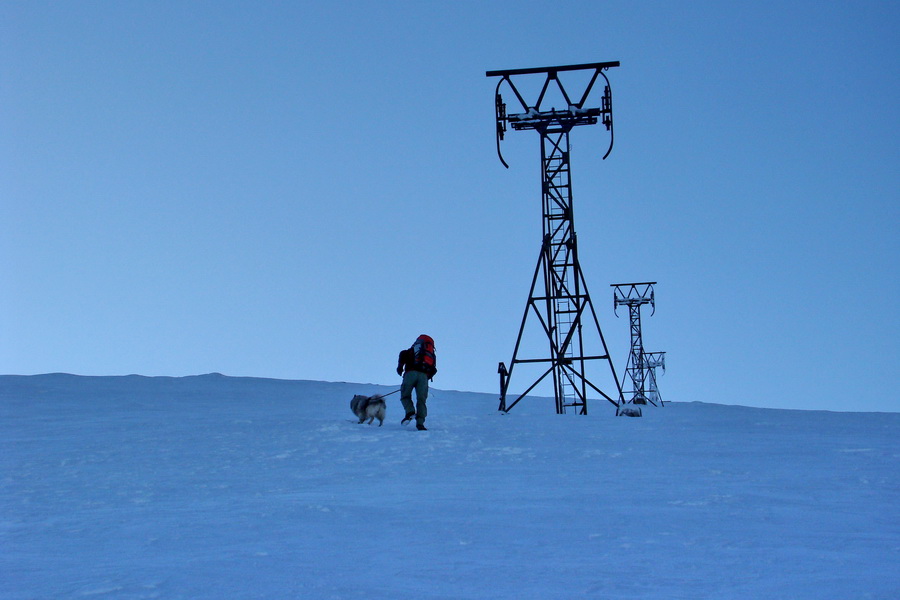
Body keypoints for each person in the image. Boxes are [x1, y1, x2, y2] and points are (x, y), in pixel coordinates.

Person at [396, 334, 437, 430]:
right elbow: (434, 370)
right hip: (423, 377)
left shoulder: (411, 350)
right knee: (421, 400)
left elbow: (402, 354)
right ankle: (420, 423)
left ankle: (410, 412)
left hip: (410, 373)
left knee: (405, 395)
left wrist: (400, 367)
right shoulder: (431, 355)